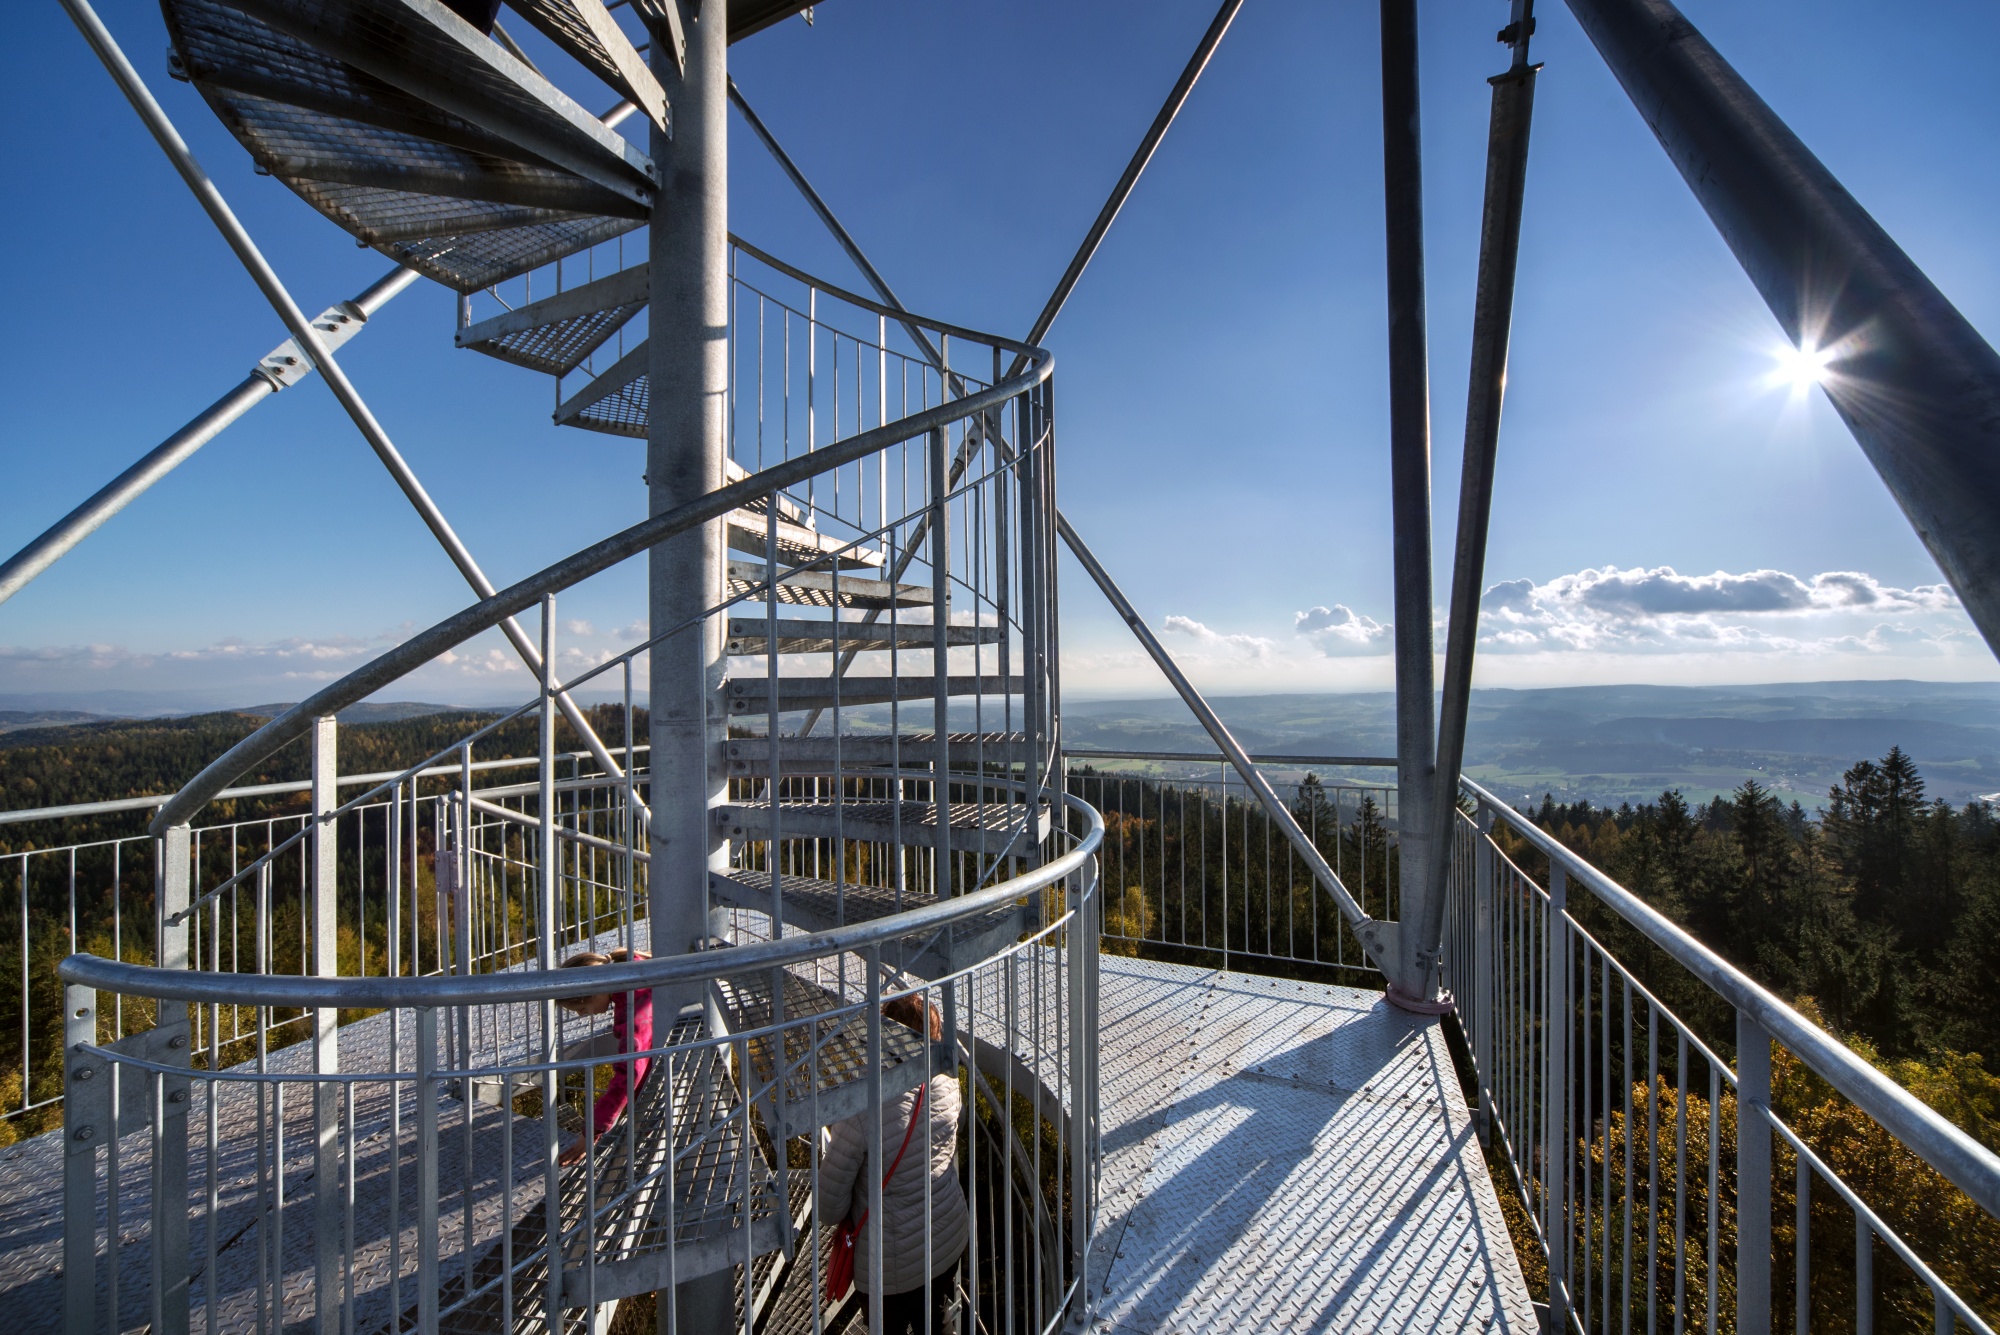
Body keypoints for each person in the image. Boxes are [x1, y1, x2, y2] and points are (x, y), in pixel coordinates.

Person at [817, 994, 967, 1335]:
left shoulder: (862, 1104)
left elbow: (829, 1207)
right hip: (945, 1242)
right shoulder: (947, 1083)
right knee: (935, 1317)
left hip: (889, 1268)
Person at [553, 948, 652, 1167]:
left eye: (581, 1007)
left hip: (665, 1085)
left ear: (594, 992)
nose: (581, 1014)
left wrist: (592, 1130)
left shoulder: (633, 1018)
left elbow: (629, 1073)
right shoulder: (632, 972)